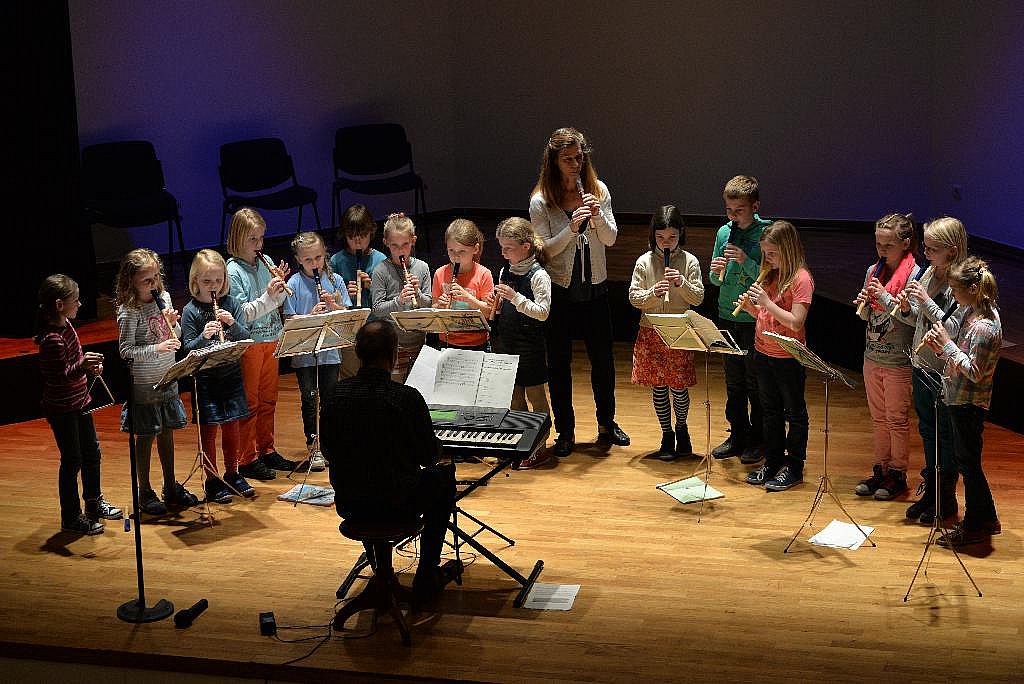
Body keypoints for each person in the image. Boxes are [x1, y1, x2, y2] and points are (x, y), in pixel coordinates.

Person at [323, 320, 462, 600]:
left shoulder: (335, 394)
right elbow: (428, 456)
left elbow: (327, 451)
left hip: (350, 502)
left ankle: (381, 571)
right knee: (443, 477)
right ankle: (427, 573)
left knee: (375, 486)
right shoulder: (405, 398)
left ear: (357, 352)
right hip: (399, 503)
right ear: (394, 354)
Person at [529, 126, 629, 457]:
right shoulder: (541, 201)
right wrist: (572, 228)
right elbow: (545, 251)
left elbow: (610, 239)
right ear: (554, 162)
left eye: (579, 157)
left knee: (603, 362)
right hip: (560, 292)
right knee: (559, 364)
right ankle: (566, 431)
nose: (575, 164)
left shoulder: (598, 190)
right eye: (568, 159)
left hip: (595, 288)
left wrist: (597, 217)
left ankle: (607, 423)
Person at [891, 217, 969, 524]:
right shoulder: (928, 274)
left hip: (943, 371)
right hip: (921, 364)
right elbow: (918, 321)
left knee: (944, 434)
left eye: (932, 248)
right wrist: (907, 308)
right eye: (925, 246)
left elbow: (953, 328)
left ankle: (945, 498)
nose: (926, 253)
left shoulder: (959, 283)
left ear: (952, 251)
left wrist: (924, 302)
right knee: (927, 430)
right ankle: (931, 491)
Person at [923, 257, 1002, 546]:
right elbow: (960, 357)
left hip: (969, 404)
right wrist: (941, 349)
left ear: (972, 289)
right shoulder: (971, 313)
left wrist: (946, 343)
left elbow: (974, 371)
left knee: (969, 467)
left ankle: (973, 526)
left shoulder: (984, 327)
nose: (953, 295)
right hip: (958, 397)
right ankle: (988, 518)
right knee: (968, 463)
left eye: (955, 290)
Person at [36, 274, 123, 534]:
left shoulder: (68, 326)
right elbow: (60, 376)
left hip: (80, 402)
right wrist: (82, 366)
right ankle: (71, 516)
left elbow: (74, 362)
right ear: (60, 304)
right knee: (72, 460)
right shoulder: (52, 339)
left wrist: (89, 367)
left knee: (91, 453)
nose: (80, 304)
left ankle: (93, 502)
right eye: (75, 300)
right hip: (63, 409)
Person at [115, 249, 198, 516]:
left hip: (167, 377)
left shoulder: (164, 297)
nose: (154, 284)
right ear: (131, 282)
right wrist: (158, 348)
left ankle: (170, 486)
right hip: (145, 385)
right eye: (147, 281)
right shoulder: (129, 311)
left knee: (167, 433)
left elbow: (176, 335)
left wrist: (173, 324)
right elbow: (126, 351)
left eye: (156, 277)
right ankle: (145, 492)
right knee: (146, 436)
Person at [737, 221, 813, 492]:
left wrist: (766, 303)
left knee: (794, 413)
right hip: (763, 351)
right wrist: (753, 310)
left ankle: (794, 467)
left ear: (788, 250)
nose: (767, 259)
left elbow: (795, 322)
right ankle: (772, 461)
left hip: (788, 356)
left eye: (772, 254)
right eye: (765, 253)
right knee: (769, 411)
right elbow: (768, 317)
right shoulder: (771, 275)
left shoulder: (801, 279)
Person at [850, 213, 919, 501]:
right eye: (878, 244)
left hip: (898, 361)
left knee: (896, 420)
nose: (882, 250)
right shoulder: (873, 270)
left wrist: (885, 298)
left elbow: (914, 319)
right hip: (873, 355)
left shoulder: (915, 275)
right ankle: (881, 468)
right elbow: (867, 316)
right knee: (878, 418)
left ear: (905, 244)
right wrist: (864, 304)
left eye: (888, 245)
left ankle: (898, 474)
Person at [628, 206, 704, 461]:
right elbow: (634, 298)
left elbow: (698, 298)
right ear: (653, 235)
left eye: (672, 237)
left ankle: (682, 428)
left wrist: (681, 283)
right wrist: (653, 293)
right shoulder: (644, 261)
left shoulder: (689, 261)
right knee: (659, 387)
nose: (666, 242)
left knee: (679, 388)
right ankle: (666, 434)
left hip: (679, 331)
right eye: (660, 237)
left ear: (680, 233)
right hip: (651, 331)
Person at [225, 208, 297, 480]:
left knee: (269, 400)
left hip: (272, 338)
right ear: (238, 238)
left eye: (261, 238)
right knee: (251, 403)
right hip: (250, 343)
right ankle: (247, 458)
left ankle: (267, 449)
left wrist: (280, 289)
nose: (259, 244)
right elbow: (242, 314)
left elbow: (275, 303)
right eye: (253, 239)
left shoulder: (265, 261)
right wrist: (269, 296)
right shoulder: (232, 271)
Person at [180, 249, 253, 503]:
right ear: (195, 281)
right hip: (206, 381)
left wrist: (232, 324)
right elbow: (188, 349)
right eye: (207, 281)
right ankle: (212, 480)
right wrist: (205, 336)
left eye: (218, 281)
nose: (214, 286)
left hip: (231, 375)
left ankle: (233, 473)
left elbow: (246, 338)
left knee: (232, 427)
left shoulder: (231, 303)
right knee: (209, 432)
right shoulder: (190, 311)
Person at [708, 175, 772, 464]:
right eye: (729, 210)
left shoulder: (766, 233)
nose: (733, 216)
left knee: (754, 381)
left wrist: (746, 260)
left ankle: (759, 438)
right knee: (733, 382)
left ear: (755, 207)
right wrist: (715, 270)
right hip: (726, 313)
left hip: (753, 316)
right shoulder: (724, 232)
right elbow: (715, 280)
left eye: (739, 211)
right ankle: (737, 434)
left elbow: (770, 278)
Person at [283, 231, 351, 470]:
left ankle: (331, 444)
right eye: (308, 260)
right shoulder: (292, 284)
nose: (314, 264)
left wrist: (334, 305)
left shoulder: (335, 280)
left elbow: (346, 315)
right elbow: (289, 319)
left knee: (330, 400)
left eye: (318, 258)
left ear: (325, 255)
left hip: (330, 353)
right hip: (304, 356)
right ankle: (313, 445)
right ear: (298, 259)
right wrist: (310, 317)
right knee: (309, 399)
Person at [492, 216, 552, 469]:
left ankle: (540, 445)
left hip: (529, 344)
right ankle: (521, 441)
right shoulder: (505, 270)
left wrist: (515, 298)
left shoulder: (539, 275)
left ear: (526, 246)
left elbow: (543, 312)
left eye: (508, 248)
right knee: (514, 397)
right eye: (502, 247)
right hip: (507, 340)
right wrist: (496, 302)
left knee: (536, 397)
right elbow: (501, 306)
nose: (503, 253)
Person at [370, 212, 431, 382]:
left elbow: (429, 304)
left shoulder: (422, 267)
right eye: (394, 246)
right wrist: (399, 301)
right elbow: (377, 309)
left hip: (418, 340)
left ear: (413, 240)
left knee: (417, 386)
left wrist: (417, 294)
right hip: (393, 344)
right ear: (386, 243)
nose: (400, 251)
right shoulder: (380, 271)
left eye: (405, 244)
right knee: (395, 387)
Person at [330, 204, 388, 378]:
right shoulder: (336, 261)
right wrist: (344, 295)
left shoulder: (380, 260)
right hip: (349, 330)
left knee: (376, 374)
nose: (358, 242)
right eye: (352, 237)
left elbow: (387, 298)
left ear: (371, 232)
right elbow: (331, 299)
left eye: (362, 236)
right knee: (350, 375)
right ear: (344, 235)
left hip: (374, 327)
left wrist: (372, 287)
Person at [431, 218, 494, 350]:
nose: (455, 257)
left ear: (475, 249)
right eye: (451, 250)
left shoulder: (484, 274)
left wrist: (468, 298)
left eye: (462, 251)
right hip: (446, 341)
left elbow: (489, 313)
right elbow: (434, 307)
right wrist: (440, 306)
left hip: (477, 343)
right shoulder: (440, 273)